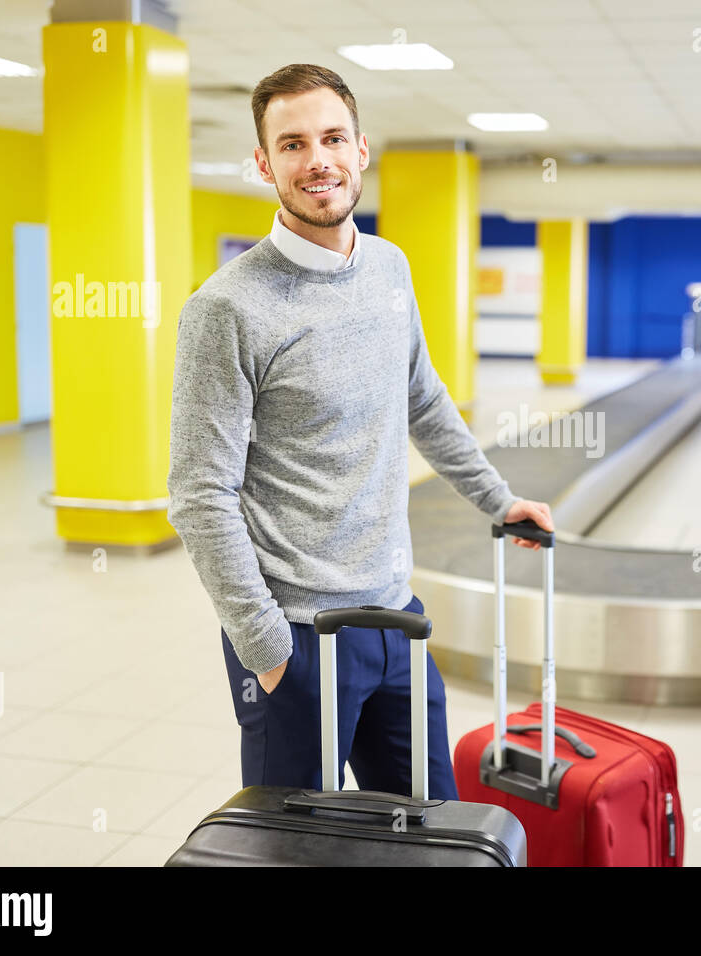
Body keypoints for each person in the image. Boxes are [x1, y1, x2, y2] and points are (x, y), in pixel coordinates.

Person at [167, 63, 553, 800]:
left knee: (430, 824)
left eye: (333, 137)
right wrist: (270, 651)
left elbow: (424, 399)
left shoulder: (389, 267)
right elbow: (198, 495)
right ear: (263, 163)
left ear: (361, 149)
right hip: (300, 636)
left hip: (397, 620)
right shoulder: (226, 310)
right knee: (300, 847)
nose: (318, 160)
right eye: (292, 144)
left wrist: (498, 501)